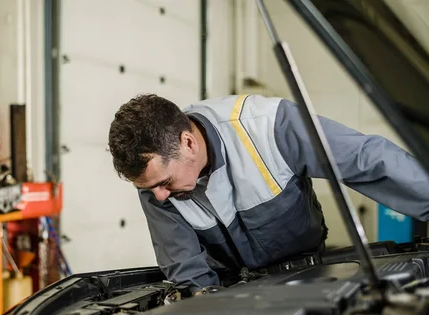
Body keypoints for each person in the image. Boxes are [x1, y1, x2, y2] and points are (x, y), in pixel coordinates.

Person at [107, 93, 429, 293]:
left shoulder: (265, 126)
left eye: (164, 183)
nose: (159, 196)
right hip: (235, 285)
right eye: (149, 189)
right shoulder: (155, 180)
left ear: (188, 143)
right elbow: (184, 263)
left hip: (311, 269)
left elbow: (368, 160)